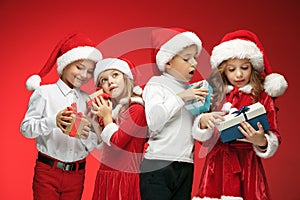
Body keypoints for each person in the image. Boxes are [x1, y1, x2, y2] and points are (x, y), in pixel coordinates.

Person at [192, 30, 288, 200]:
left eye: (244, 68)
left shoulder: (262, 96)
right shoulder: (214, 95)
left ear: (253, 68)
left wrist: (262, 141)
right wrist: (202, 122)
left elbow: (274, 133)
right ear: (223, 71)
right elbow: (204, 138)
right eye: (231, 69)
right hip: (217, 165)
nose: (238, 74)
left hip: (248, 165)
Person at [20, 33, 103, 200]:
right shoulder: (44, 93)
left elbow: (95, 142)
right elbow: (26, 129)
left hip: (77, 174)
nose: (84, 75)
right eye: (79, 67)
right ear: (65, 64)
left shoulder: (87, 99)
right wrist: (53, 121)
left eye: (89, 71)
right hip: (48, 171)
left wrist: (87, 134)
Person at [140, 27, 210, 200]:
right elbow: (154, 122)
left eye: (195, 57)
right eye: (186, 58)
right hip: (157, 165)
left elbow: (198, 135)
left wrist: (204, 118)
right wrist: (182, 97)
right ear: (168, 62)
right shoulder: (156, 84)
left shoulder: (192, 90)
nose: (193, 63)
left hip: (186, 165)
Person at [91, 57, 148, 200]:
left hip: (125, 180)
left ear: (126, 78)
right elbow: (105, 147)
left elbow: (117, 143)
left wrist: (106, 117)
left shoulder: (136, 109)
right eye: (104, 80)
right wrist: (96, 123)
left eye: (115, 75)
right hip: (105, 175)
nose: (110, 81)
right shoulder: (113, 111)